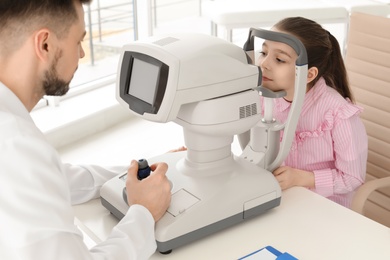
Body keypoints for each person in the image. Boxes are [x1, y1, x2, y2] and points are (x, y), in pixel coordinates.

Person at [0, 0, 173, 259]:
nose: (81, 54)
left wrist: (136, 172)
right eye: (78, 41)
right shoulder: (17, 146)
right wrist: (144, 212)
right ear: (45, 44)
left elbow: (57, 180)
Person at [257, 17, 368, 208]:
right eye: (264, 52)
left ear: (309, 74)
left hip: (326, 208)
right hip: (284, 200)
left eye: (279, 59)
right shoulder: (264, 99)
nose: (264, 64)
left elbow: (352, 178)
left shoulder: (337, 114)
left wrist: (304, 178)